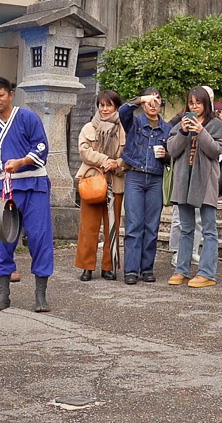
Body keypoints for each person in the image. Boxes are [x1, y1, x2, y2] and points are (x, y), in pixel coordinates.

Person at [0, 77, 53, 312]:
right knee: (2, 239)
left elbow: (41, 147)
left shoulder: (27, 117)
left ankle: (40, 294)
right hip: (6, 189)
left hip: (34, 185)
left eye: (0, 95)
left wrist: (22, 162)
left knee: (39, 237)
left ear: (11, 95)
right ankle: (3, 294)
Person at [166, 86, 222, 288]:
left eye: (198, 102)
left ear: (206, 104)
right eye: (191, 102)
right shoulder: (181, 124)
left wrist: (201, 132)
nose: (195, 106)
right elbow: (172, 150)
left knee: (209, 229)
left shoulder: (216, 125)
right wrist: (183, 131)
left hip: (206, 181)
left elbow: (215, 151)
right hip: (184, 181)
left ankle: (207, 273)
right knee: (186, 228)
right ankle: (181, 270)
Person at [119, 88, 171, 285]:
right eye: (149, 101)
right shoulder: (134, 123)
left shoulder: (166, 129)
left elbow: (172, 155)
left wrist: (165, 156)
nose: (152, 104)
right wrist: (141, 98)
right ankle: (131, 270)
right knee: (133, 225)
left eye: (156, 100)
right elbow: (122, 111)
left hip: (156, 178)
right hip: (135, 176)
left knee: (152, 225)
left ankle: (147, 268)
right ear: (142, 104)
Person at [74, 90, 126, 281]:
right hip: (92, 181)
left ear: (116, 107)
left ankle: (109, 266)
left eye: (108, 105)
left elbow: (127, 155)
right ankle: (86, 267)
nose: (104, 109)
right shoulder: (89, 127)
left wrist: (117, 163)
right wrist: (106, 160)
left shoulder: (123, 128)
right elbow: (84, 152)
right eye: (101, 105)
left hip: (116, 181)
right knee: (88, 227)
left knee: (113, 226)